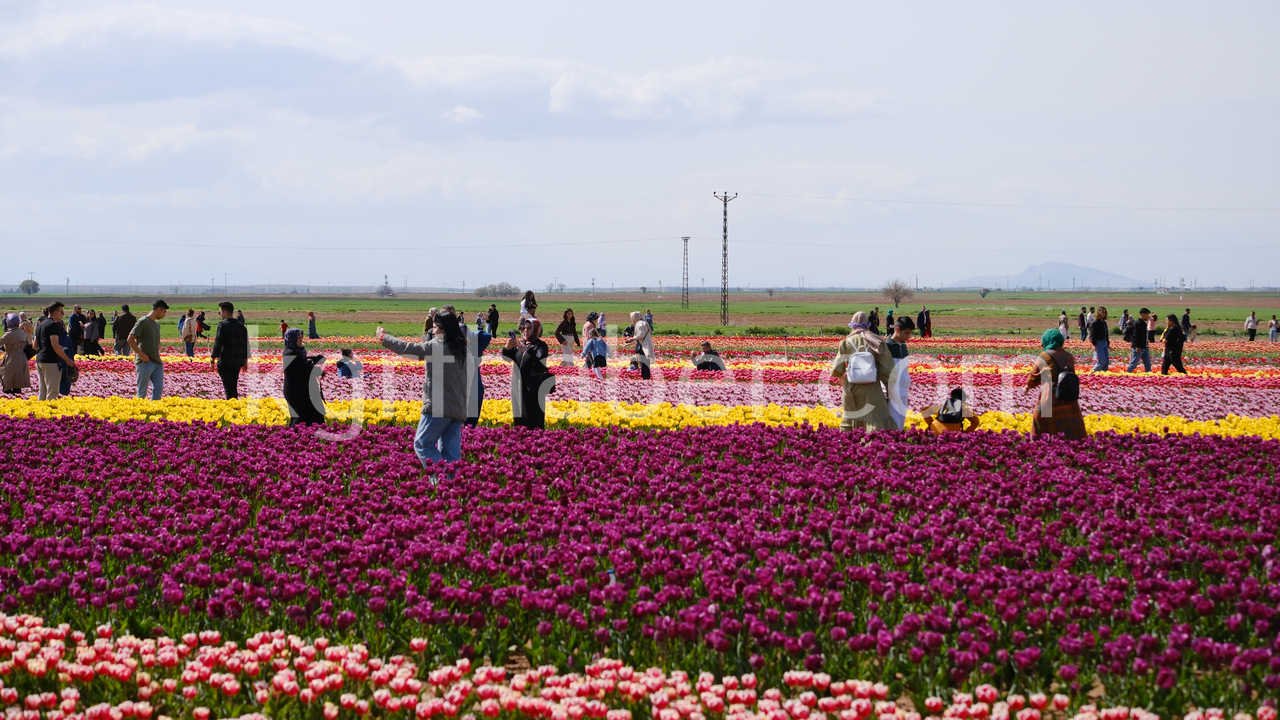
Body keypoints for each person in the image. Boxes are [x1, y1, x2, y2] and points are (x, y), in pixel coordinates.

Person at [378, 311, 470, 463]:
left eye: (434, 327)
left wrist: (384, 338)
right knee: (451, 453)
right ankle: (453, 484)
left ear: (443, 329)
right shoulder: (462, 348)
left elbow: (409, 349)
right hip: (458, 408)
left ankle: (441, 480)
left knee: (422, 444)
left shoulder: (438, 345)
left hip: (437, 407)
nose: (432, 331)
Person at [830, 311, 895, 432]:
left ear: (852, 325)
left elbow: (836, 370)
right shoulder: (876, 342)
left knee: (850, 419)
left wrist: (844, 381)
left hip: (851, 388)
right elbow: (887, 369)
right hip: (872, 389)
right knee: (875, 421)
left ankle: (849, 447)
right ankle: (873, 448)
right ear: (868, 324)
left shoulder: (845, 342)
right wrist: (887, 386)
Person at [1026, 328, 1086, 439]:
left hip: (1049, 400)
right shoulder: (1069, 357)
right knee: (1069, 427)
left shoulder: (1044, 356)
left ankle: (1043, 449)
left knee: (1041, 426)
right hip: (1068, 399)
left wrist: (1028, 386)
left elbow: (1033, 378)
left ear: (1046, 341)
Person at [502, 317, 553, 429]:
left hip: (534, 389)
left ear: (536, 330)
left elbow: (540, 364)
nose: (525, 330)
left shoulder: (540, 346)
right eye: (524, 328)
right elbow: (507, 358)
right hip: (518, 387)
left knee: (533, 419)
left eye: (529, 328)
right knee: (519, 419)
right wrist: (507, 347)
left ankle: (535, 444)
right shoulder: (521, 344)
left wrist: (526, 350)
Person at [281, 328, 326, 426]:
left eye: (301, 338)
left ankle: (302, 437)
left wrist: (313, 359)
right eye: (299, 338)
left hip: (302, 390)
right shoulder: (290, 354)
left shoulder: (296, 350)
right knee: (303, 418)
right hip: (297, 392)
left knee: (307, 417)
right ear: (292, 340)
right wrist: (316, 369)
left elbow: (303, 363)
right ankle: (298, 437)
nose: (301, 340)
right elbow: (301, 369)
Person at [128, 300, 169, 400]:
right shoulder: (143, 321)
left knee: (158, 389)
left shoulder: (156, 325)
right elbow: (130, 339)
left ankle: (154, 412)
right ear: (159, 309)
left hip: (157, 362)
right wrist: (141, 355)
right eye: (164, 312)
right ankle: (139, 414)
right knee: (142, 392)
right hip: (144, 362)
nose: (164, 315)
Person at [35, 302, 77, 400]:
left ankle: (40, 413)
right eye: (61, 311)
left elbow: (34, 345)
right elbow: (55, 346)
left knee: (43, 391)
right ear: (55, 312)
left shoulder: (41, 325)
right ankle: (50, 413)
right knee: (52, 392)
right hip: (51, 362)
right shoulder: (54, 325)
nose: (63, 314)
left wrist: (45, 348)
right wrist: (68, 360)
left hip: (40, 360)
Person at [210, 301, 249, 399]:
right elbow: (245, 345)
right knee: (233, 386)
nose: (219, 314)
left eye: (220, 312)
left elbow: (218, 342)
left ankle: (232, 408)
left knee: (228, 388)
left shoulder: (222, 325)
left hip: (225, 361)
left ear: (224, 311)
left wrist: (213, 358)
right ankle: (234, 404)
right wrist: (245, 361)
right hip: (237, 362)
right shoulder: (241, 326)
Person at [884, 316, 916, 430]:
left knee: (900, 420)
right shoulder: (887, 346)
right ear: (897, 329)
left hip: (902, 390)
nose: (909, 337)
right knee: (892, 421)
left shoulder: (903, 346)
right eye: (906, 333)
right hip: (892, 391)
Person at [1, 313, 33, 394]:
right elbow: (30, 343)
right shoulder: (23, 333)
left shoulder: (8, 334)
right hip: (22, 358)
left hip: (10, 358)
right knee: (18, 383)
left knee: (8, 382)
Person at [1126, 307, 1152, 373]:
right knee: (1134, 363)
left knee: (1148, 364)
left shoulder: (1143, 323)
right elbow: (1135, 336)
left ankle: (1149, 375)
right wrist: (1137, 346)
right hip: (1138, 347)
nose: (1148, 316)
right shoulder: (1138, 323)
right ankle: (1127, 374)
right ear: (1142, 314)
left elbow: (1143, 335)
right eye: (1147, 314)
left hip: (1144, 346)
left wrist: (1146, 341)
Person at [630, 311, 654, 380]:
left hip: (643, 346)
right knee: (645, 363)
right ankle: (646, 378)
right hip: (646, 345)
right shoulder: (644, 322)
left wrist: (632, 339)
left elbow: (640, 335)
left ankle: (645, 378)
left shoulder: (640, 324)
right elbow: (650, 332)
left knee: (643, 363)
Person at [1088, 306, 1110, 371]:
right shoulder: (1095, 323)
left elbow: (1106, 334)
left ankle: (1104, 375)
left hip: (1105, 342)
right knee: (1102, 361)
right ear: (1098, 313)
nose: (1103, 313)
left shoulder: (1104, 323)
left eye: (1104, 312)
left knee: (1106, 361)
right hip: (1099, 343)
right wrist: (1095, 343)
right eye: (1102, 312)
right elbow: (1092, 335)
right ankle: (1092, 373)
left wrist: (1108, 343)